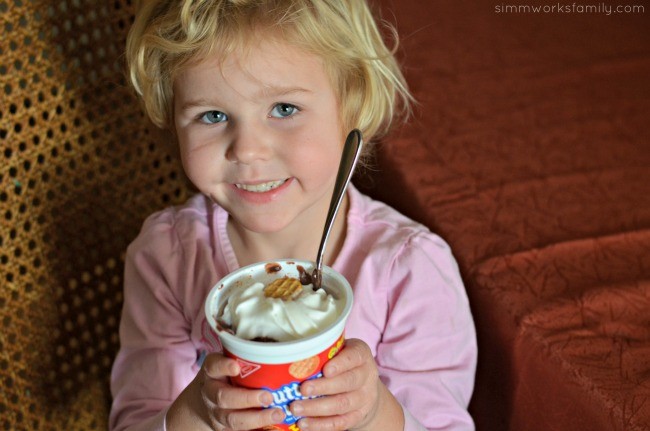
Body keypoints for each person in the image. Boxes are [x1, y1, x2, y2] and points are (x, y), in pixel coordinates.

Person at [109, 0, 477, 430]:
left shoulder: (408, 270)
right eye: (212, 115)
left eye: (284, 108)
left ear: (352, 106)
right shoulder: (168, 257)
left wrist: (375, 413)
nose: (247, 150)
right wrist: (197, 414)